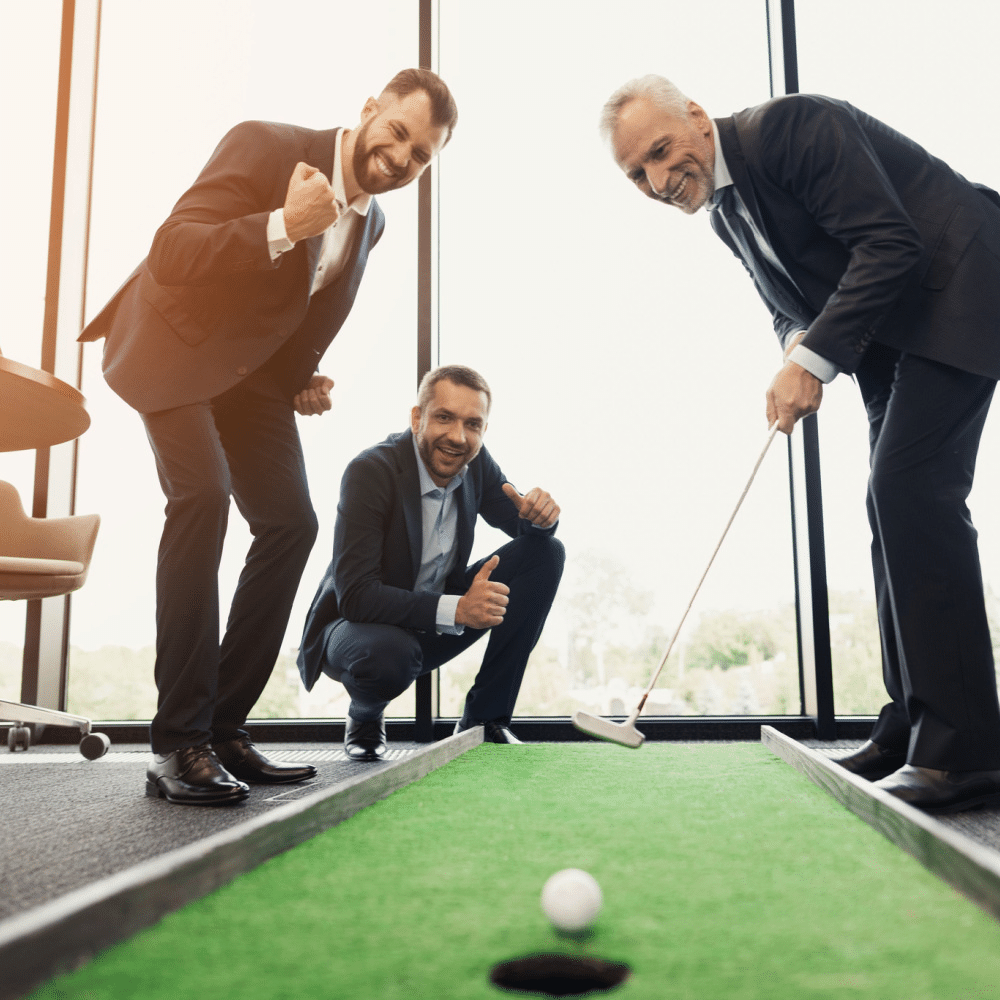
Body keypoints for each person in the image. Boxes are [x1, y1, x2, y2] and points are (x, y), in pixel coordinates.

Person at [601, 75, 1000, 813]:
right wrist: (795, 351)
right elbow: (788, 307)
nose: (657, 180)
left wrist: (811, 362)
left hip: (964, 280)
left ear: (694, 115)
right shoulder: (727, 215)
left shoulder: (790, 128)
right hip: (894, 332)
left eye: (660, 151)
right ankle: (914, 728)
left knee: (911, 492)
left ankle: (967, 752)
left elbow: (890, 242)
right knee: (893, 507)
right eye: (637, 173)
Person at [78, 69, 458, 805]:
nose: (402, 157)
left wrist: (300, 379)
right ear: (369, 110)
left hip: (249, 379)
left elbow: (290, 312)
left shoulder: (374, 222)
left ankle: (223, 729)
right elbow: (174, 251)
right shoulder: (264, 145)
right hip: (174, 344)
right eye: (399, 132)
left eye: (421, 155)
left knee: (291, 521)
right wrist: (284, 224)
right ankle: (175, 742)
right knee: (204, 496)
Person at [297, 364, 565, 760]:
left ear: (483, 431)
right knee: (389, 655)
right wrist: (458, 608)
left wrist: (542, 519)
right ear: (417, 418)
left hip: (432, 621)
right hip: (359, 631)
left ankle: (486, 720)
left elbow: (523, 529)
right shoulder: (371, 471)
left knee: (545, 553)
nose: (458, 437)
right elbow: (355, 596)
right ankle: (366, 714)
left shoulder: (475, 464)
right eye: (444, 418)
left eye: (472, 424)